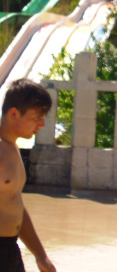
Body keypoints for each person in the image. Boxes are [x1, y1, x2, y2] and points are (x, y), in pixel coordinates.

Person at [0, 79, 56, 272]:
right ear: (14, 114)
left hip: (10, 250)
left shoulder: (12, 148)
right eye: (36, 117)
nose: (42, 124)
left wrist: (41, 255)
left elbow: (15, 205)